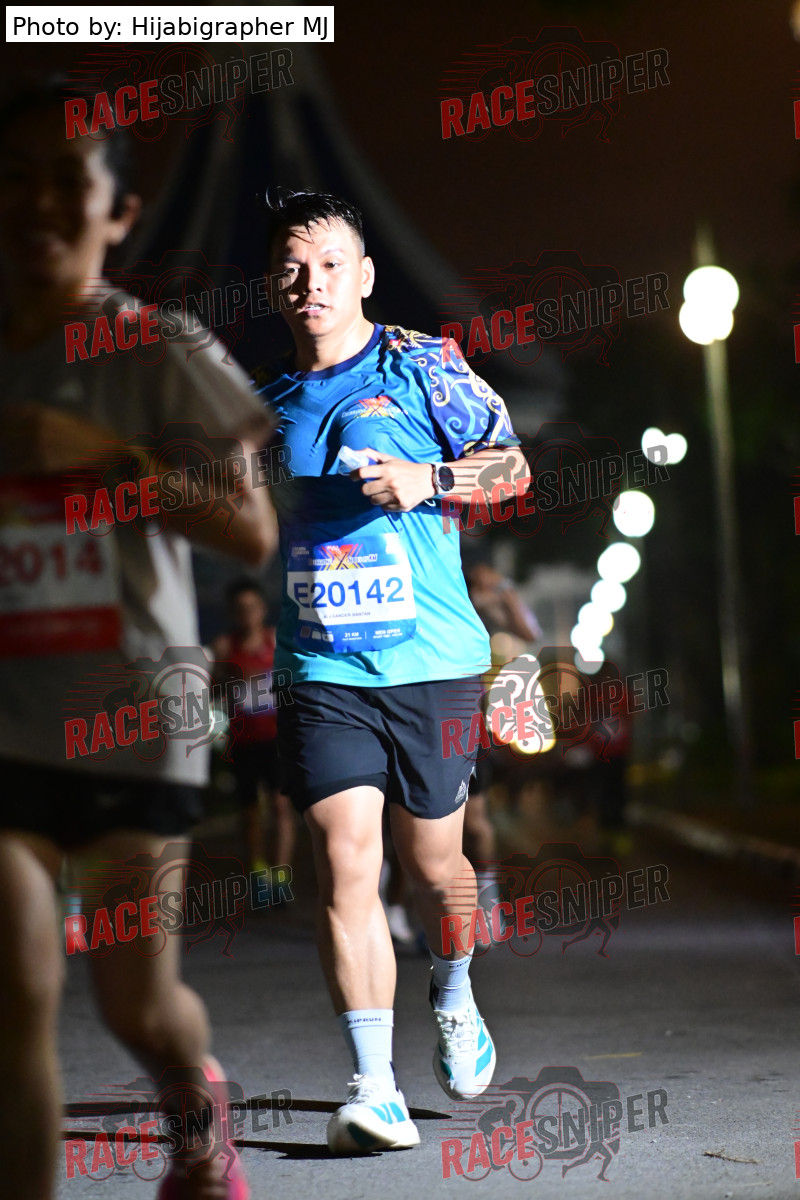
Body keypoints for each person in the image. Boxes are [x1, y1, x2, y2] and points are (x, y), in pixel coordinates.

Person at [0, 82, 276, 1200]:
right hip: (8, 722)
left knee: (137, 1004)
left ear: (118, 211)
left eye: (69, 181)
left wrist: (99, 458)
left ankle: (194, 1110)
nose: (38, 202)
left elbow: (250, 528)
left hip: (132, 721)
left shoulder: (154, 347)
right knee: (15, 996)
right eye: (15, 178)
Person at [255, 188, 528, 1153]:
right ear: (274, 287)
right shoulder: (260, 409)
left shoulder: (423, 366)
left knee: (436, 866)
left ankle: (453, 990)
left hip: (434, 663)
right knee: (345, 861)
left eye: (331, 264)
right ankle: (373, 1087)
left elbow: (513, 470)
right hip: (322, 667)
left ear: (365, 275)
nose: (313, 284)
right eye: (294, 269)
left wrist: (431, 479)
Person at [463, 563, 542, 926]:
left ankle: (487, 901)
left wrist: (504, 587)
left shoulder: (477, 598)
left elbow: (529, 631)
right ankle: (395, 908)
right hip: (412, 710)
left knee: (475, 824)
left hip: (464, 722)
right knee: (402, 828)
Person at [212, 580, 295, 876]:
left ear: (262, 609)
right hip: (242, 740)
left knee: (280, 806)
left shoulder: (276, 641)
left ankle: (281, 875)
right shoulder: (224, 647)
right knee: (250, 812)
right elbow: (211, 692)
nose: (247, 614)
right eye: (240, 609)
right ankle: (258, 874)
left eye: (252, 607)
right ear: (232, 613)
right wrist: (231, 679)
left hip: (276, 738)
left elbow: (294, 682)